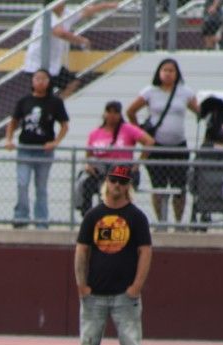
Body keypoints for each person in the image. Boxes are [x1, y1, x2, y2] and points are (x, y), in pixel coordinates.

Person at [60, 164, 154, 345]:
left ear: (128, 186)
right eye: (113, 181)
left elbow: (145, 252)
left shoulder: (137, 217)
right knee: (87, 343)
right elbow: (82, 252)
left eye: (122, 182)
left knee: (131, 344)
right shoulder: (93, 215)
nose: (117, 186)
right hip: (95, 293)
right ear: (107, 183)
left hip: (126, 294)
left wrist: (137, 286)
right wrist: (81, 285)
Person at [126, 57, 200, 224]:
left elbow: (199, 111)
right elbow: (131, 111)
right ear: (159, 73)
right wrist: (141, 133)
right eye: (165, 70)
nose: (168, 74)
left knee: (179, 187)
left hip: (178, 146)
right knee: (158, 187)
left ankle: (178, 222)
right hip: (157, 147)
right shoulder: (150, 91)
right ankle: (161, 221)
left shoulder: (185, 92)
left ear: (177, 73)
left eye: (171, 70)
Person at [5, 69, 69, 229]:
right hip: (25, 148)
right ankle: (21, 216)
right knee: (22, 182)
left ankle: (41, 220)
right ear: (32, 81)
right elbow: (13, 121)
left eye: (43, 79)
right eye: (37, 78)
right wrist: (9, 139)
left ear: (48, 82)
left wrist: (55, 142)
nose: (40, 82)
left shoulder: (55, 102)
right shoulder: (24, 101)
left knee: (41, 186)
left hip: (44, 150)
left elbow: (64, 125)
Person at [21, 1, 119, 97]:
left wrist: (106, 5)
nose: (63, 4)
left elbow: (86, 12)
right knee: (42, 92)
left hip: (54, 65)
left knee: (72, 82)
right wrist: (81, 40)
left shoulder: (66, 14)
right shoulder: (46, 16)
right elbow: (60, 33)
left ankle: (58, 105)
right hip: (37, 64)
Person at [75, 100, 153, 217]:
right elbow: (89, 156)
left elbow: (149, 141)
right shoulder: (95, 133)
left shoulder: (127, 129)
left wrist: (137, 164)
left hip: (120, 172)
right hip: (100, 172)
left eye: (115, 112)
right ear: (104, 114)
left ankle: (110, 214)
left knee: (112, 181)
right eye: (109, 112)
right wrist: (89, 166)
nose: (112, 115)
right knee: (86, 182)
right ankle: (88, 216)